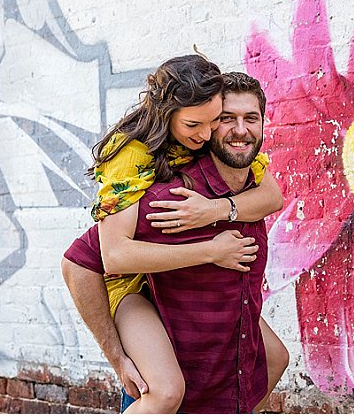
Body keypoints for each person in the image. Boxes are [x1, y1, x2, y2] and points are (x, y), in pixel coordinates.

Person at [63, 56, 287, 412]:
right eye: (197, 124)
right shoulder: (132, 156)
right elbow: (110, 256)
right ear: (168, 113)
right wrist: (211, 250)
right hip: (128, 283)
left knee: (273, 358)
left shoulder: (199, 143)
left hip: (165, 276)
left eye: (213, 121)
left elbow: (273, 196)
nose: (207, 133)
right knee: (165, 389)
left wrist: (213, 210)